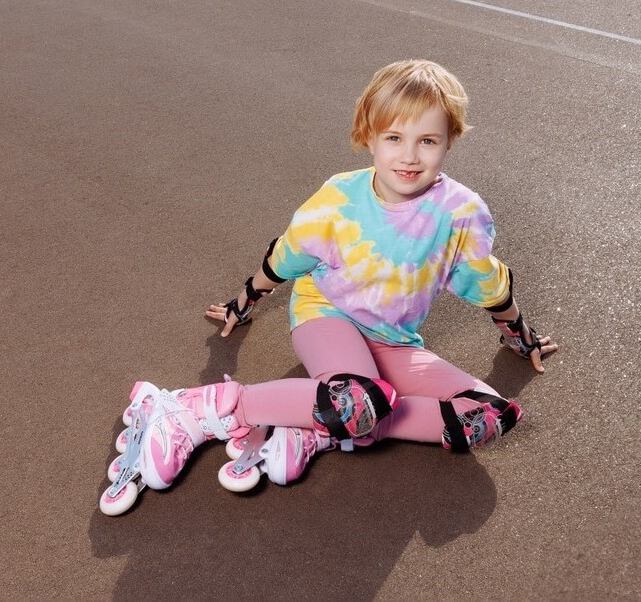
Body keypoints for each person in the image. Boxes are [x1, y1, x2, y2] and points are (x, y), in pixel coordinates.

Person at [102, 59, 558, 510]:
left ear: (449, 142)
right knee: (358, 398)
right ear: (370, 136)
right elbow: (284, 259)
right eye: (394, 137)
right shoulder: (339, 199)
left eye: (428, 140)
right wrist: (242, 303)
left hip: (394, 342)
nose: (410, 155)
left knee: (489, 415)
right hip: (327, 316)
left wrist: (522, 338)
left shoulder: (462, 214)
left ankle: (315, 425)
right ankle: (198, 409)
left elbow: (489, 287)